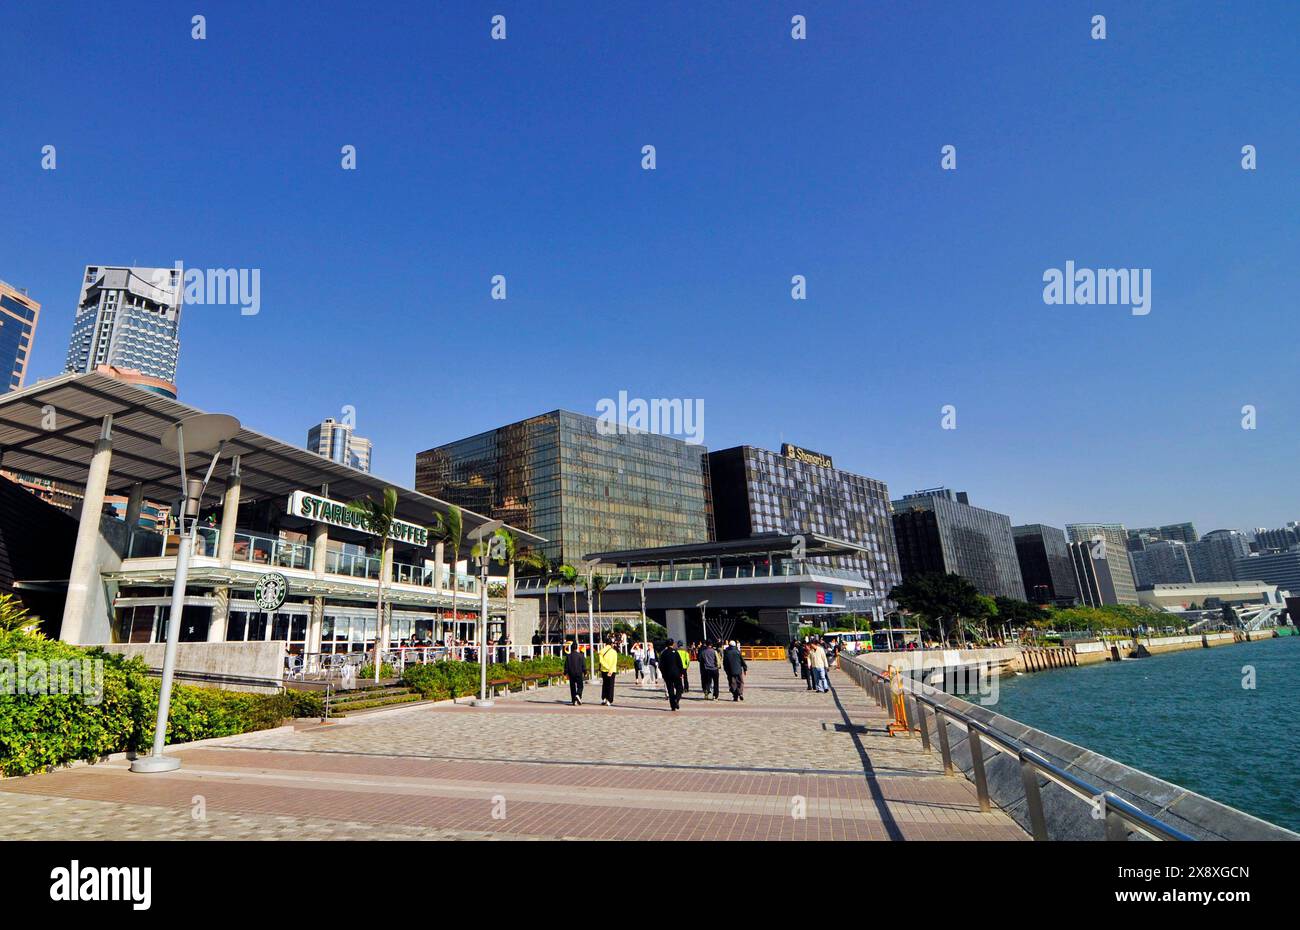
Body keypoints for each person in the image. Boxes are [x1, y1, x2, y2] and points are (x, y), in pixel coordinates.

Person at [658, 639, 685, 711]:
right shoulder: (675, 652)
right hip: (676, 673)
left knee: (670, 689)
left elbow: (660, 665)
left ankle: (673, 706)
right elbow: (680, 663)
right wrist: (681, 673)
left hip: (667, 674)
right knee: (679, 688)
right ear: (672, 644)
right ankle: (676, 699)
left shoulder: (663, 653)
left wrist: (663, 673)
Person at [597, 636, 619, 705]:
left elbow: (601, 661)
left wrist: (607, 667)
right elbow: (614, 662)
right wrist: (610, 669)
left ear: (605, 644)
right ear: (611, 644)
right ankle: (609, 700)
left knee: (605, 684)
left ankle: (604, 698)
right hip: (612, 671)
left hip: (604, 670)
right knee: (611, 685)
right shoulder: (614, 652)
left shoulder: (601, 651)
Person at [564, 640, 586, 705]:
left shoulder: (568, 656)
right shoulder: (581, 655)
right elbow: (583, 665)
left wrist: (565, 673)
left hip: (571, 673)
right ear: (577, 648)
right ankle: (578, 695)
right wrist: (585, 671)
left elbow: (566, 665)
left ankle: (574, 700)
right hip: (579, 673)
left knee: (572, 687)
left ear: (572, 647)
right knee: (580, 686)